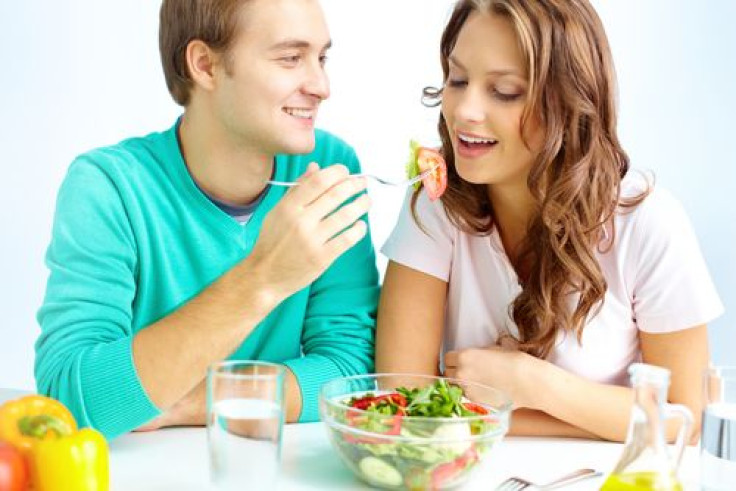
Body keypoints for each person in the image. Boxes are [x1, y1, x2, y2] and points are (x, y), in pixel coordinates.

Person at [377, 0, 722, 442]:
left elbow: (687, 417)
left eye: (504, 91)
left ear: (569, 102)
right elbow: (403, 397)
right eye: (457, 79)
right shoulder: (436, 203)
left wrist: (536, 386)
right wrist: (605, 418)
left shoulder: (648, 222)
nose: (464, 110)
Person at [35, 0, 379, 440]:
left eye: (322, 57)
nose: (322, 85)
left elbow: (348, 375)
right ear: (205, 65)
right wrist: (262, 278)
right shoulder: (109, 188)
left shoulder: (329, 168)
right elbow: (71, 404)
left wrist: (189, 402)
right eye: (291, 58)